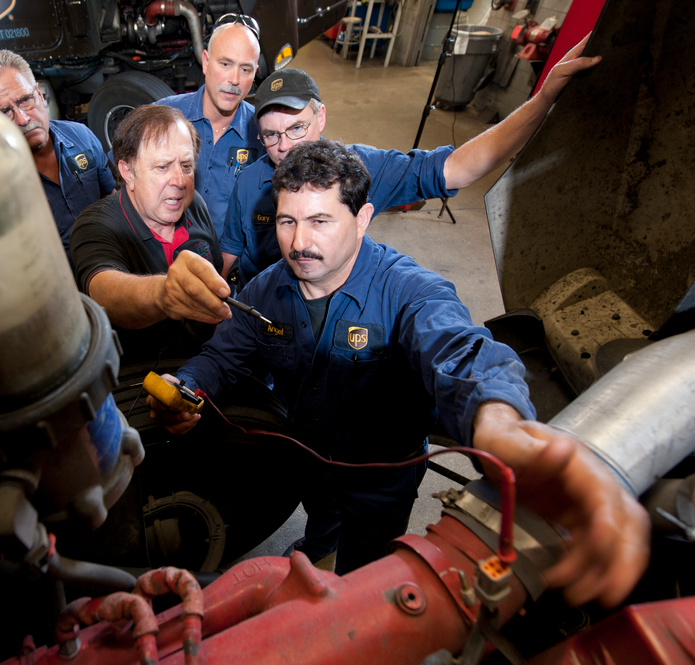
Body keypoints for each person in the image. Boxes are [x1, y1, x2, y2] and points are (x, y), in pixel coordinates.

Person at [147, 141, 649, 608]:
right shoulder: (266, 289)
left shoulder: (410, 291)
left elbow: (460, 352)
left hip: (380, 480)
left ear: (363, 219)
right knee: (320, 519)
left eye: (321, 221)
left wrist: (500, 425)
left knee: (361, 583)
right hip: (307, 458)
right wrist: (185, 387)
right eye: (287, 222)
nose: (299, 242)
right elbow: (221, 356)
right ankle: (320, 538)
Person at [220, 35, 601, 288]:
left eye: (298, 127)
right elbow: (229, 257)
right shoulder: (250, 182)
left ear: (320, 117)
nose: (286, 145)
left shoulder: (359, 168)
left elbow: (460, 167)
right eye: (272, 134)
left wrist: (542, 99)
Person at [69, 105, 234, 364]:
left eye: (187, 166)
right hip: (135, 377)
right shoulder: (95, 225)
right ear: (127, 172)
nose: (180, 181)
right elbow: (103, 291)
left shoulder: (194, 204)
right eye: (162, 167)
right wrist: (164, 294)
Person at [0, 50, 116, 267]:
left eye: (25, 100)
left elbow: (111, 199)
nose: (23, 118)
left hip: (110, 269)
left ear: (39, 93)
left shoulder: (82, 137)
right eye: (5, 112)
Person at [156, 14, 266, 235]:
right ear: (205, 62)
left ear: (255, 74)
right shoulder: (163, 117)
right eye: (226, 64)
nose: (234, 79)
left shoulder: (265, 134)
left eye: (245, 69)